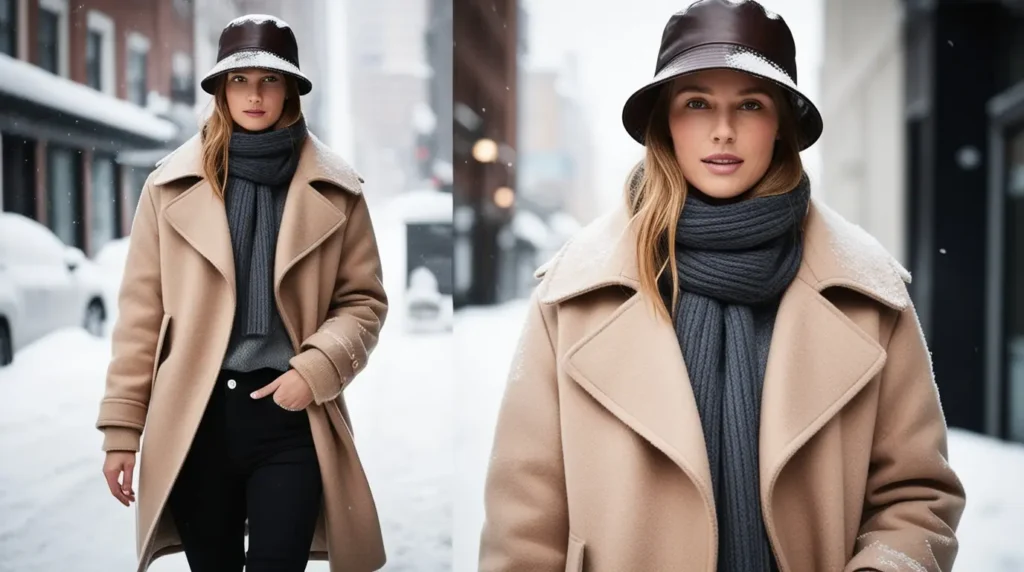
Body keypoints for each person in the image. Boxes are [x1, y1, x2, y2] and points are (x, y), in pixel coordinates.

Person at [478, 1, 966, 571]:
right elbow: (523, 523)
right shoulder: (574, 292)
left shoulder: (867, 290)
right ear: (666, 121)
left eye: (751, 104)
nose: (723, 130)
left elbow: (916, 496)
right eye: (697, 103)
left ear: (781, 123)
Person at [96, 15, 388, 572]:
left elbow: (363, 302)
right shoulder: (167, 187)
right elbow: (140, 316)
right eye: (239, 80)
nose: (254, 95)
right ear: (220, 91)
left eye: (270, 80)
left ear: (292, 91)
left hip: (290, 416)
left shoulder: (338, 189)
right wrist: (121, 431)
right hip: (194, 417)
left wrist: (315, 370)